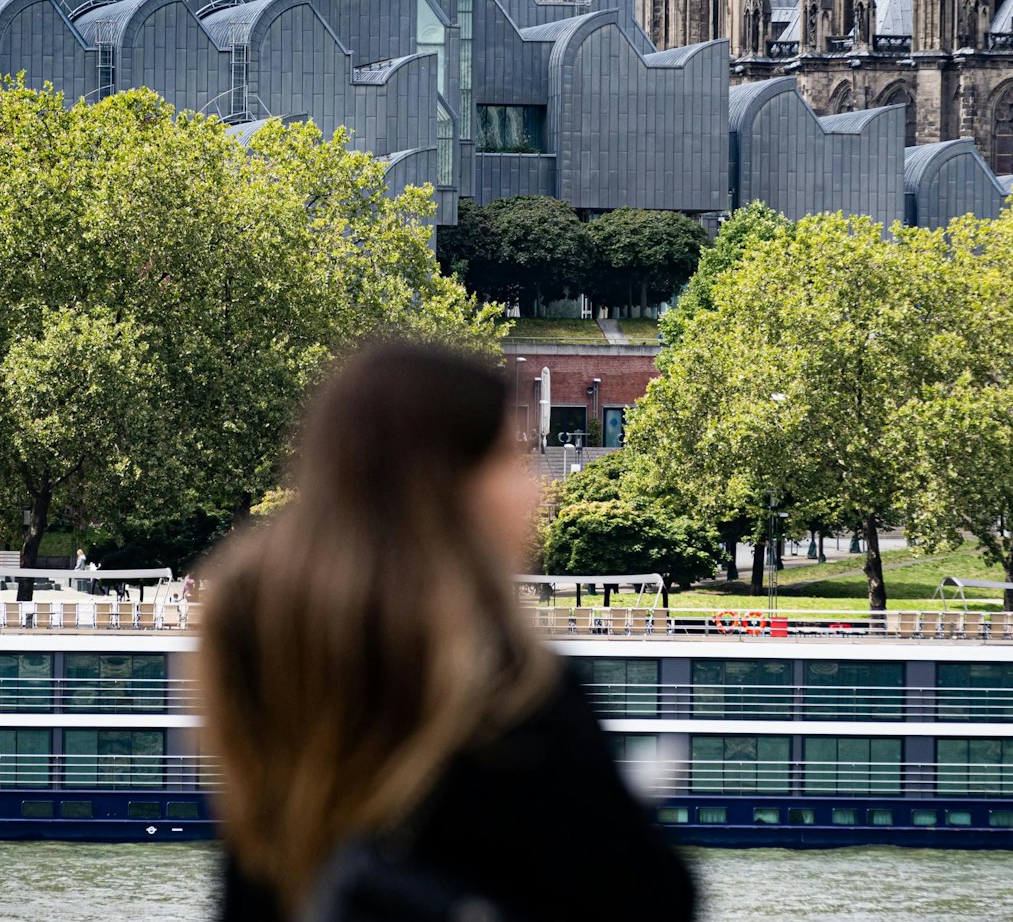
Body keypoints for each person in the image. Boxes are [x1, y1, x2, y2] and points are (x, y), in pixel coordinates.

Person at [197, 341, 694, 922]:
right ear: (447, 483)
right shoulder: (510, 690)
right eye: (508, 459)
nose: (531, 488)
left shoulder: (262, 653)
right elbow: (649, 895)